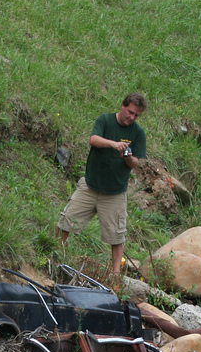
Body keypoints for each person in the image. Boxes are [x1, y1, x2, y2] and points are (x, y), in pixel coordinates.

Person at [57, 93, 147, 276]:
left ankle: (115, 275)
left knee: (117, 235)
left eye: (136, 115)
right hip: (90, 186)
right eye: (130, 112)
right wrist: (114, 144)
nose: (132, 117)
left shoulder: (138, 133)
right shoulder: (105, 120)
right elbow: (94, 140)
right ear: (122, 106)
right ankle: (55, 256)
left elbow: (136, 163)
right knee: (66, 221)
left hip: (115, 193)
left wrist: (127, 157)